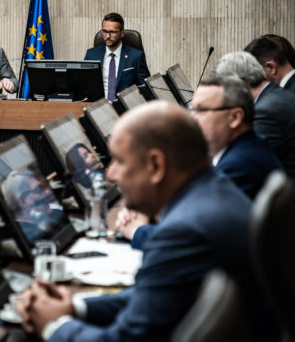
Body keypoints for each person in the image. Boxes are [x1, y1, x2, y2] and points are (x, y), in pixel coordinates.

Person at [17, 101, 278, 341]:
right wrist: (76, 307)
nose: (111, 173)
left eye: (119, 161)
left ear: (155, 166)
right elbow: (153, 295)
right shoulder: (211, 191)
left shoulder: (184, 230)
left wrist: (54, 325)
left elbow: (125, 339)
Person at [118, 75, 284, 247]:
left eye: (201, 110)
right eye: (192, 109)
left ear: (235, 117)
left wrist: (137, 230)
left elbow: (187, 235)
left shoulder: (240, 165)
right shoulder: (245, 150)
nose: (192, 119)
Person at [215, 51, 295, 180]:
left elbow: (249, 162)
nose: (224, 97)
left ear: (239, 82)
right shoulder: (277, 94)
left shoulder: (265, 111)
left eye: (225, 89)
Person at [84, 13, 150, 100]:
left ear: (122, 33)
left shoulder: (136, 56)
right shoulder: (91, 54)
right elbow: (84, 85)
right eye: (104, 31)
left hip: (125, 105)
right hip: (98, 105)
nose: (107, 36)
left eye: (112, 32)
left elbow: (146, 88)